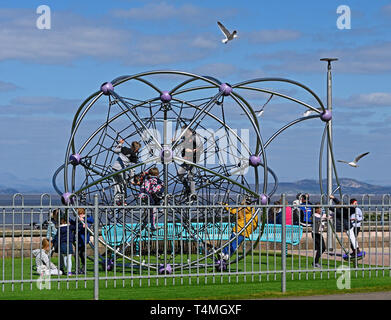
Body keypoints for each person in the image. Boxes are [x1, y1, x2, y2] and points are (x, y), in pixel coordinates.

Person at [220, 197, 258, 261]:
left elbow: (232, 210)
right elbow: (255, 224)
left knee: (230, 242)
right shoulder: (252, 211)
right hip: (244, 231)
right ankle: (227, 255)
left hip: (237, 228)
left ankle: (223, 253)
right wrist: (250, 231)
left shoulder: (240, 209)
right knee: (234, 244)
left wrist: (225, 204)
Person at [330, 195, 364, 259]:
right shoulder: (347, 209)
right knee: (353, 238)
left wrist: (330, 207)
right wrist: (334, 198)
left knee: (352, 239)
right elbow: (339, 204)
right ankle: (356, 251)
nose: (356, 204)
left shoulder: (350, 210)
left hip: (348, 226)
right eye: (355, 203)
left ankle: (356, 251)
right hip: (348, 226)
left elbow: (338, 210)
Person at [175, 126, 203, 201]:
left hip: (194, 159)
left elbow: (200, 148)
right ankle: (188, 189)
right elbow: (182, 147)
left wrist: (192, 151)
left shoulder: (195, 136)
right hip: (187, 159)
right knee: (179, 173)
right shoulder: (184, 138)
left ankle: (193, 194)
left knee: (190, 176)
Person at [112, 139, 141, 205]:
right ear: (136, 149)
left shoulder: (125, 149)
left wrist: (120, 144)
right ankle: (122, 200)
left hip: (115, 168)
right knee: (123, 185)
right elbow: (132, 169)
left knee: (116, 184)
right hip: (121, 170)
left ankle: (117, 200)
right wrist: (132, 180)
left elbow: (115, 150)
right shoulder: (134, 156)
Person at [139, 167, 164, 231]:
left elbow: (144, 188)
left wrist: (142, 195)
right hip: (154, 198)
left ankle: (146, 224)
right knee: (153, 213)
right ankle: (152, 225)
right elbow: (154, 189)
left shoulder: (147, 180)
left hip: (148, 198)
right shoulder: (156, 180)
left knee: (150, 213)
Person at [71, 208, 94, 274]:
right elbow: (75, 226)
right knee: (78, 255)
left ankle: (82, 269)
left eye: (80, 214)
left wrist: (84, 220)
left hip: (83, 240)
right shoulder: (77, 219)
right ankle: (79, 269)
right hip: (78, 239)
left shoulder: (87, 218)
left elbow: (91, 221)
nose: (80, 215)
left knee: (81, 254)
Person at [312, 203, 327, 268]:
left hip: (319, 233)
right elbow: (318, 219)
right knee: (321, 248)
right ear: (317, 209)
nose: (321, 209)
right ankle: (315, 262)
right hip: (315, 233)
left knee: (322, 248)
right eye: (320, 208)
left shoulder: (321, 215)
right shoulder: (314, 215)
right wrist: (325, 218)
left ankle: (315, 262)